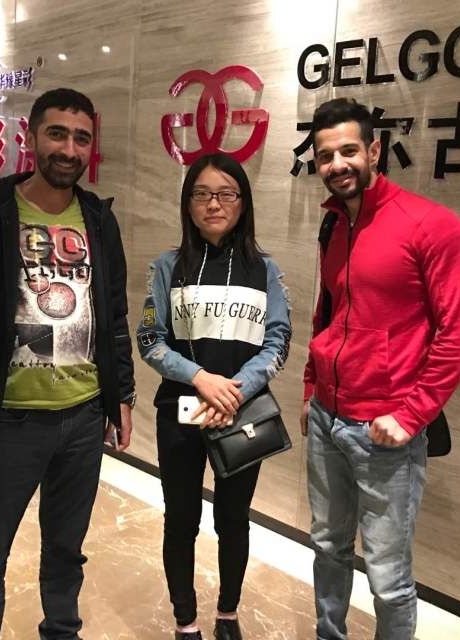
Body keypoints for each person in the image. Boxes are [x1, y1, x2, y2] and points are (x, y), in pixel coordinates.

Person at [0, 87, 136, 640]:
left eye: (81, 138)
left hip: (84, 418)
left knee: (66, 551)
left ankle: (62, 631)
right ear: (32, 137)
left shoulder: (98, 220)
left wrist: (122, 396)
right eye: (57, 134)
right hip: (8, 422)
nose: (69, 149)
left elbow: (113, 314)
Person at [300, 98, 460, 640]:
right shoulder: (334, 224)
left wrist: (411, 414)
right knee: (327, 547)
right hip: (327, 420)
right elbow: (327, 313)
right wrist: (311, 389)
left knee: (388, 578)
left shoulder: (431, 225)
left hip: (384, 431)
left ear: (374, 150)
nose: (337, 164)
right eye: (325, 155)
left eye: (348, 150)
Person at [137, 152, 291, 640]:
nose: (214, 204)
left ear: (243, 203)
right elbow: (149, 339)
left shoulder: (265, 270)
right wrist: (201, 378)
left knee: (233, 519)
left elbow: (279, 340)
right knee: (181, 520)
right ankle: (185, 621)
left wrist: (236, 389)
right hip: (179, 413)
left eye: (226, 194)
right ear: (188, 203)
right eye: (202, 194)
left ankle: (227, 614)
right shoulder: (168, 266)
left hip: (242, 415)